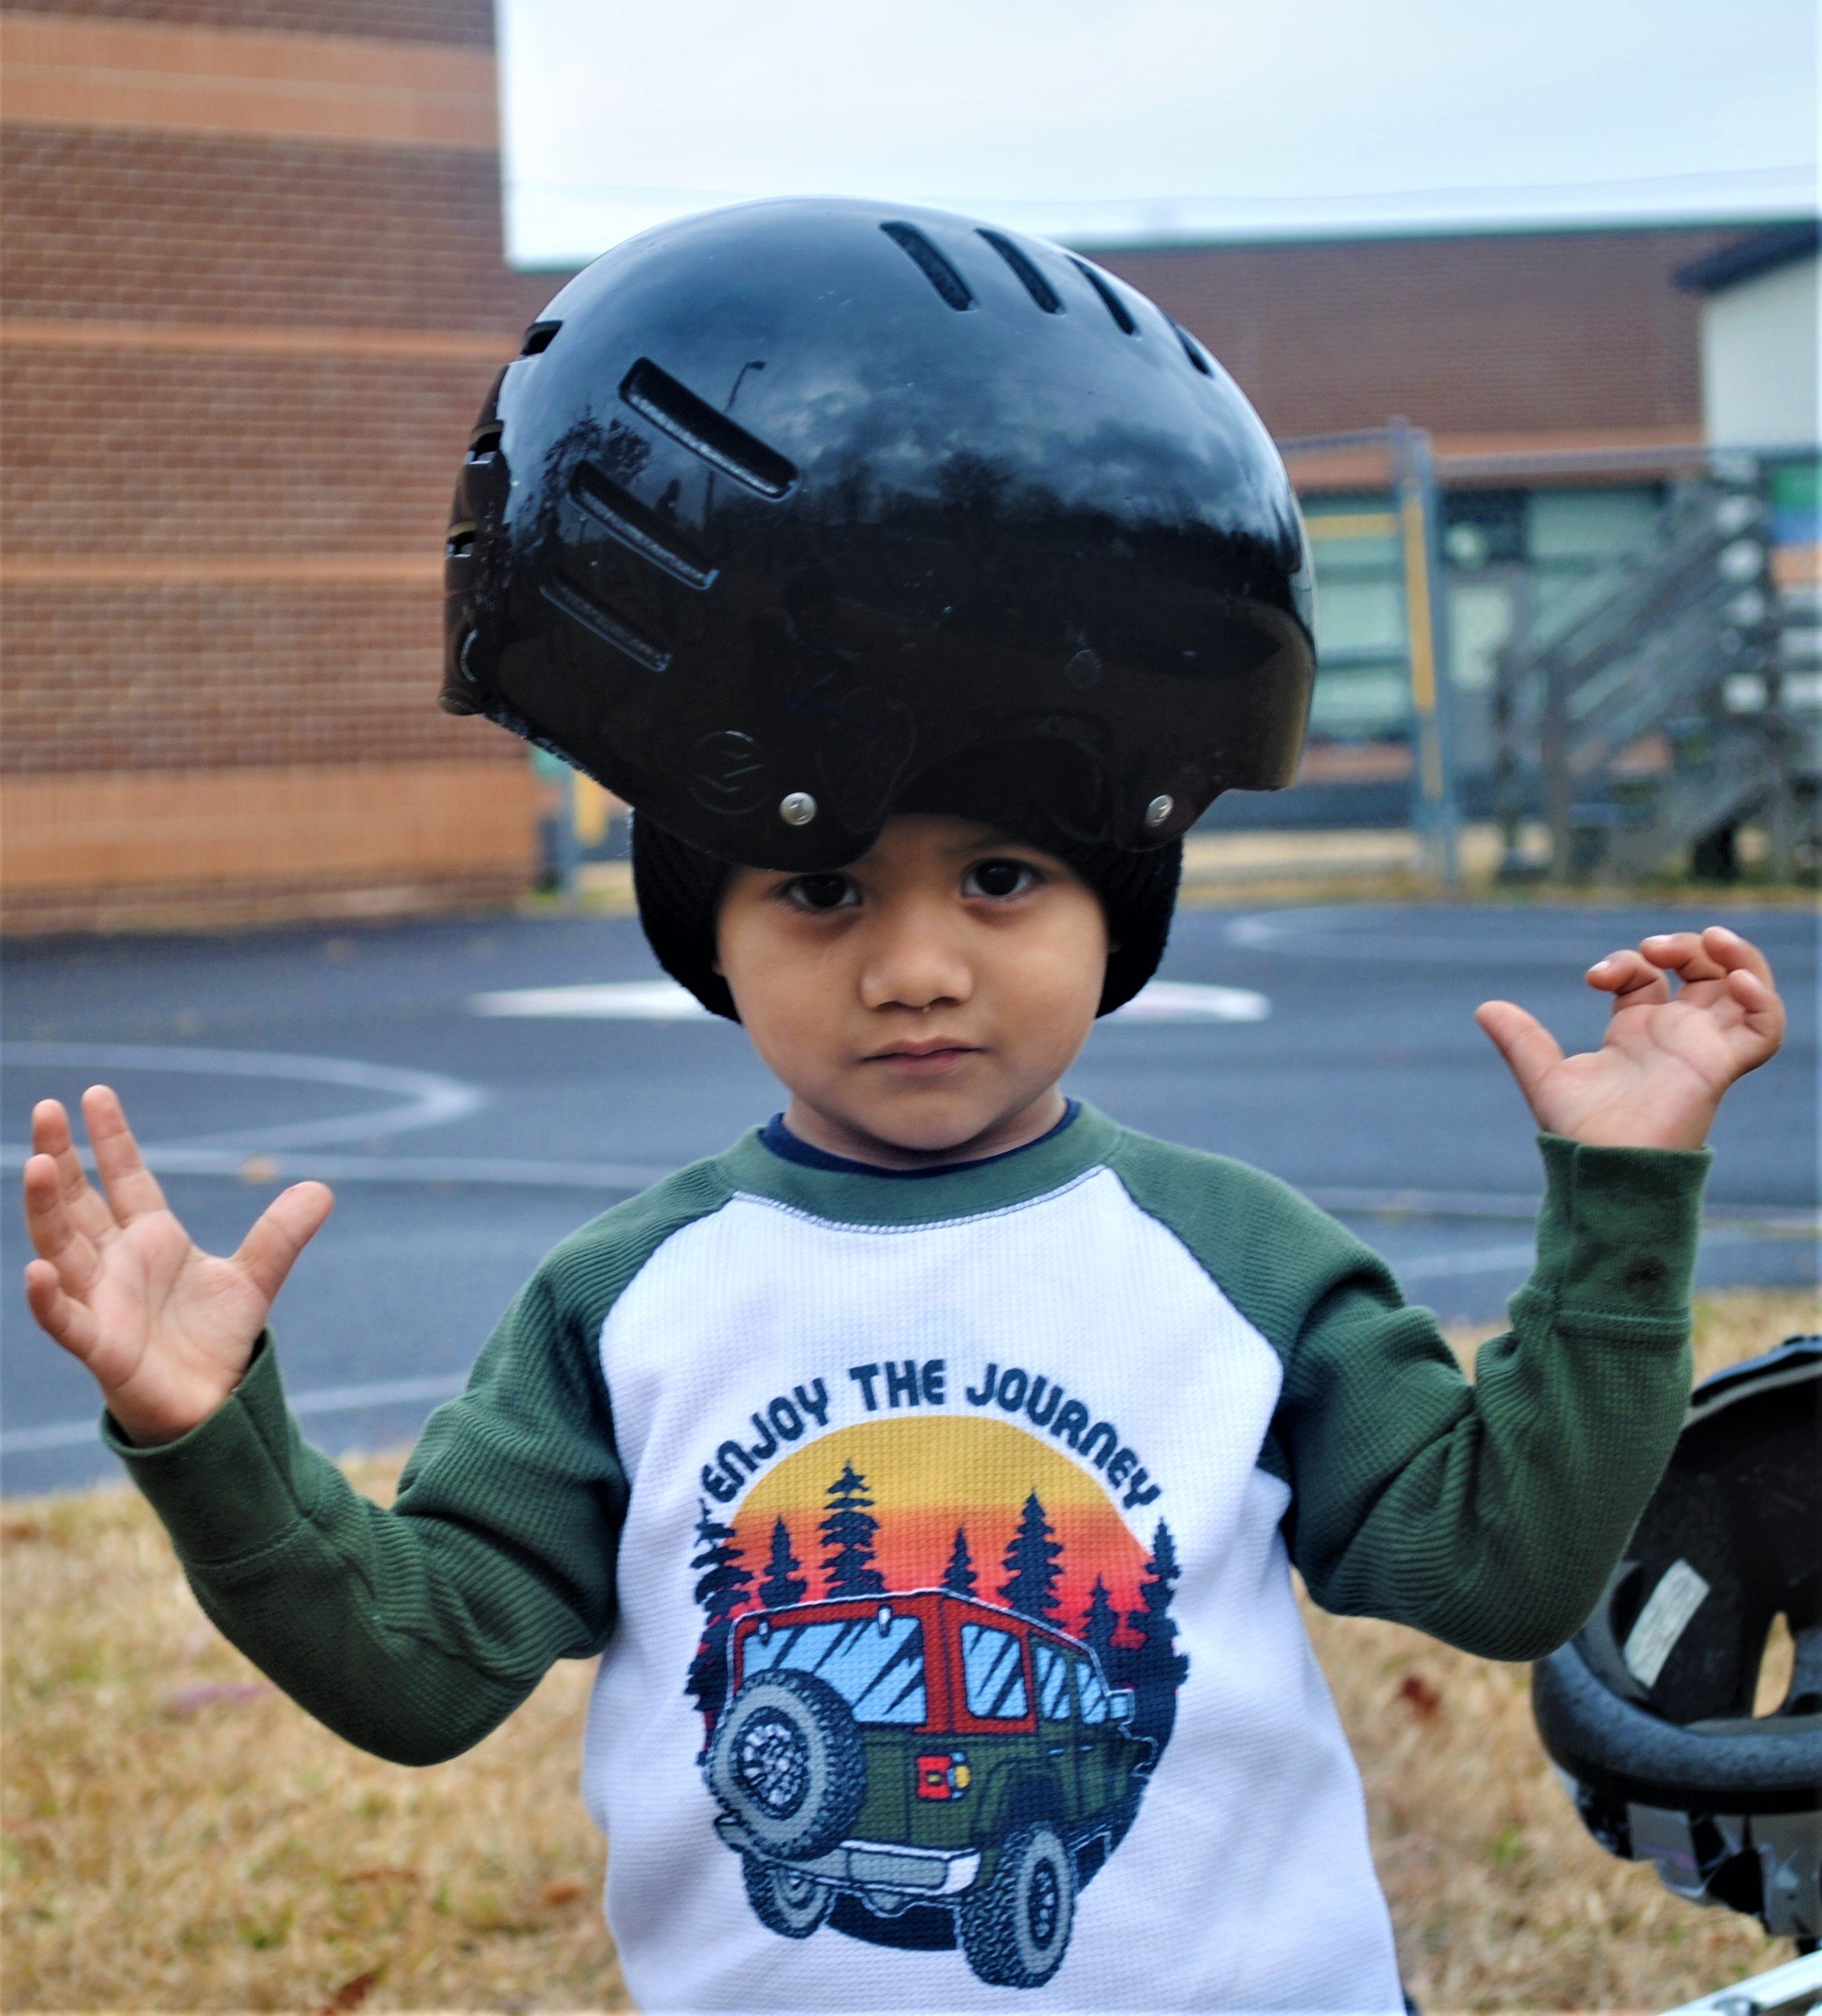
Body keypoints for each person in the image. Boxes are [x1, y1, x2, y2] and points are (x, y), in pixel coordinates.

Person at [22, 201, 1788, 2012]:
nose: (918, 964)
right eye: (822, 888)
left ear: (1127, 903)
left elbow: (1501, 1566)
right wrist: (213, 1431)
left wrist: (1620, 1194)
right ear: (702, 927)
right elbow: (421, 1668)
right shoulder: (624, 1305)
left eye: (1005, 875)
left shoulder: (1237, 1261)